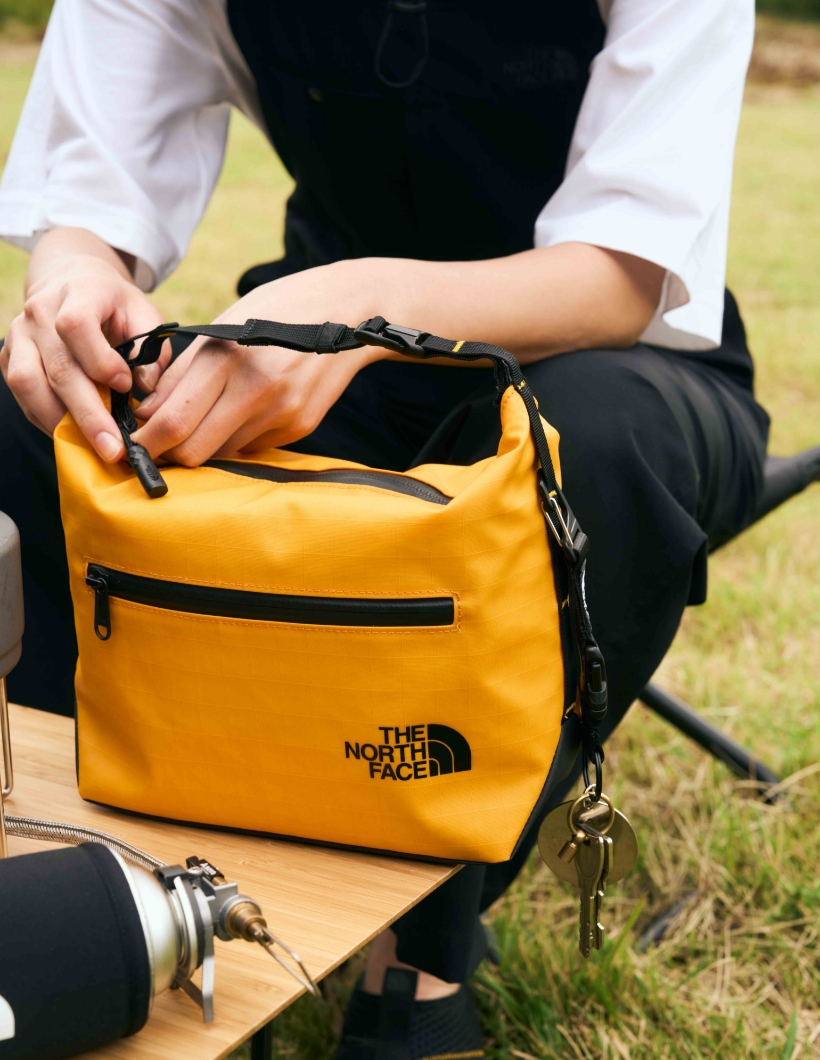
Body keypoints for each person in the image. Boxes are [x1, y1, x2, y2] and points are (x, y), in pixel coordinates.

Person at [0, 0, 769, 1056]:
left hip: (616, 366)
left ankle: (415, 962)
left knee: (585, 442)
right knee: (35, 424)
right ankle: (90, 900)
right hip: (322, 349)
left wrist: (356, 315)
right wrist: (73, 280)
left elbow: (622, 273)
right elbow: (91, 195)